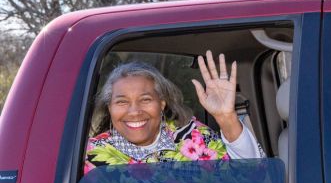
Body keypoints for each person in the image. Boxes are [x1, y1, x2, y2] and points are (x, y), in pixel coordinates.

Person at [84, 51, 263, 173]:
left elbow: (253, 175)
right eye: (122, 102)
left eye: (145, 99)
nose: (134, 111)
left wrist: (226, 118)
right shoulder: (92, 156)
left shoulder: (194, 137)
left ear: (161, 103)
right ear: (110, 108)